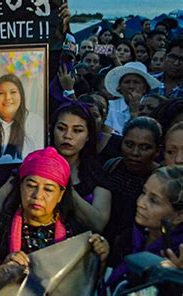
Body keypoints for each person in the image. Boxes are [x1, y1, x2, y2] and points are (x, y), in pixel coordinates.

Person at [0, 147, 109, 269]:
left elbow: (88, 278)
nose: (38, 195)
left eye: (48, 189)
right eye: (31, 186)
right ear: (20, 186)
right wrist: (3, 268)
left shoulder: (75, 232)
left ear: (60, 195)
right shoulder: (0, 226)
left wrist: (100, 253)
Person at [106, 166, 183, 293]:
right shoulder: (130, 237)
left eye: (153, 200)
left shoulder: (178, 255)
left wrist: (178, 279)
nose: (140, 202)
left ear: (179, 216)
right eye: (143, 192)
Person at [50, 101, 111, 232]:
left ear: (88, 135)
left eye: (77, 130)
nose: (67, 136)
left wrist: (64, 184)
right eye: (61, 128)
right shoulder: (34, 165)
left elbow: (98, 223)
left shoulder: (97, 174)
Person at [102, 117, 162, 246]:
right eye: (129, 144)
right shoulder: (112, 166)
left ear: (157, 151)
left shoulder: (160, 180)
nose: (135, 153)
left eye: (145, 147)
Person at [0, 74, 43, 165]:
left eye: (13, 92)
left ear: (21, 95)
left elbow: (40, 162)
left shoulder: (35, 122)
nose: (7, 98)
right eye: (1, 93)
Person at [104, 61, 160, 134]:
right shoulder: (109, 106)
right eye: (127, 82)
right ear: (119, 87)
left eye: (136, 82)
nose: (131, 86)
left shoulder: (152, 106)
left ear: (145, 88)